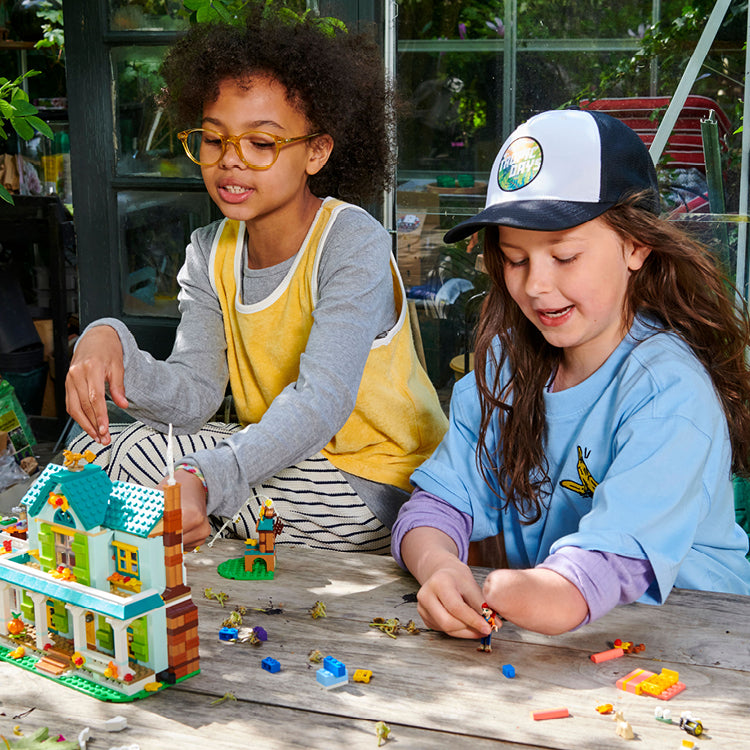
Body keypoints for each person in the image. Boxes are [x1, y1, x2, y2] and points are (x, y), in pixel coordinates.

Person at [65, 4, 448, 553]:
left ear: (316, 151)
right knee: (96, 448)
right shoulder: (209, 251)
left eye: (261, 143)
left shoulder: (350, 241)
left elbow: (320, 403)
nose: (231, 161)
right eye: (213, 139)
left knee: (140, 467)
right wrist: (110, 341)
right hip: (287, 455)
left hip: (372, 484)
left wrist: (206, 475)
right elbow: (194, 397)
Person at [391, 108, 750, 637]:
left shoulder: (668, 390)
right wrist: (439, 565)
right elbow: (438, 502)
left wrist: (533, 591)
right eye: (515, 259)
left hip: (699, 639)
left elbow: (609, 564)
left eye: (563, 256)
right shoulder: (505, 366)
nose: (535, 285)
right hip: (569, 644)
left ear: (635, 246)